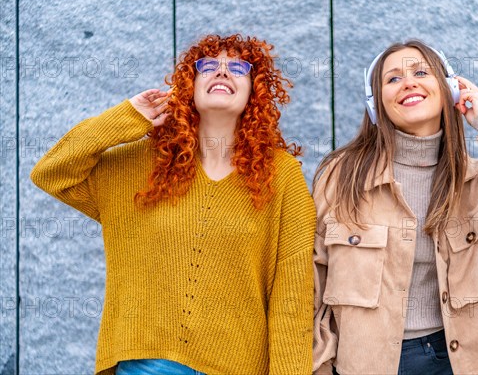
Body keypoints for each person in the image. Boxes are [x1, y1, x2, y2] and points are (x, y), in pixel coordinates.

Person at [31, 34, 316, 375]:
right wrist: (126, 118)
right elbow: (53, 171)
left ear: (255, 91)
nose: (222, 73)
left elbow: (292, 296)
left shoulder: (282, 176)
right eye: (208, 66)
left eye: (237, 67)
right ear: (189, 85)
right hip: (149, 363)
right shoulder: (143, 165)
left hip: (238, 366)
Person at [312, 39, 478, 375]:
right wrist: (319, 363)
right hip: (364, 362)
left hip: (455, 360)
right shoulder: (341, 176)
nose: (408, 82)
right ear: (376, 106)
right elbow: (312, 277)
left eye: (421, 72)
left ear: (450, 90)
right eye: (392, 79)